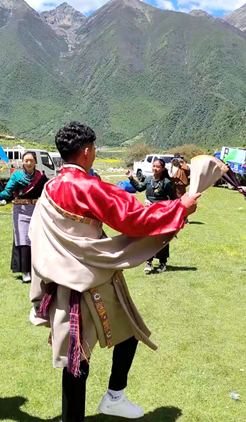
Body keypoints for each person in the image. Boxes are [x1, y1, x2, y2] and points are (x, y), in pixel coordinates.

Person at [29, 122, 199, 422]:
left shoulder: (50, 188)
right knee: (96, 349)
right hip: (92, 282)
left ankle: (108, 401)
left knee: (81, 355)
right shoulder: (88, 187)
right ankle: (114, 397)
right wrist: (179, 208)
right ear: (86, 151)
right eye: (94, 148)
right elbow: (133, 218)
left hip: (61, 283)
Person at [0, 151, 49, 283]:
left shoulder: (41, 176)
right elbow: (7, 192)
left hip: (36, 210)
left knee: (37, 238)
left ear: (35, 162)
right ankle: (25, 271)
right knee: (23, 239)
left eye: (31, 160)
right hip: (21, 211)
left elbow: (47, 192)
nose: (29, 163)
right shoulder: (16, 176)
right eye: (26, 160)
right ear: (22, 162)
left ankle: (36, 268)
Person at [127, 158, 177, 273]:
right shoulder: (149, 179)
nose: (155, 168)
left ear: (163, 168)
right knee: (148, 237)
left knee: (161, 238)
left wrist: (159, 206)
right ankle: (148, 261)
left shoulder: (166, 182)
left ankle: (163, 263)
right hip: (148, 213)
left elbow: (173, 200)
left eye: (158, 167)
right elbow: (140, 188)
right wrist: (131, 178)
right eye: (154, 166)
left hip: (161, 214)